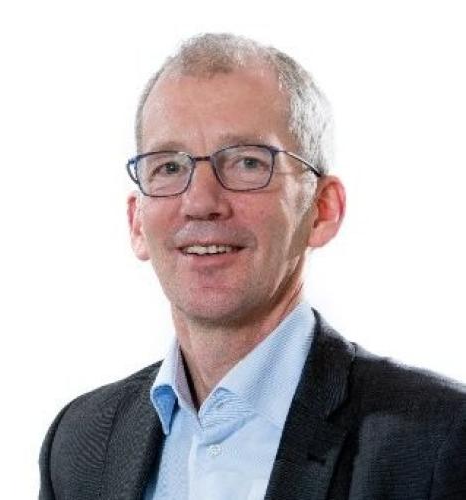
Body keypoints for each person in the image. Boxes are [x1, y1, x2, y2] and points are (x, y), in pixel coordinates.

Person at [39, 33, 466, 500]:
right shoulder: (79, 445)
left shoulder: (437, 441)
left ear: (323, 210)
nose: (200, 201)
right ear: (136, 221)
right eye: (169, 167)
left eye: (247, 163)